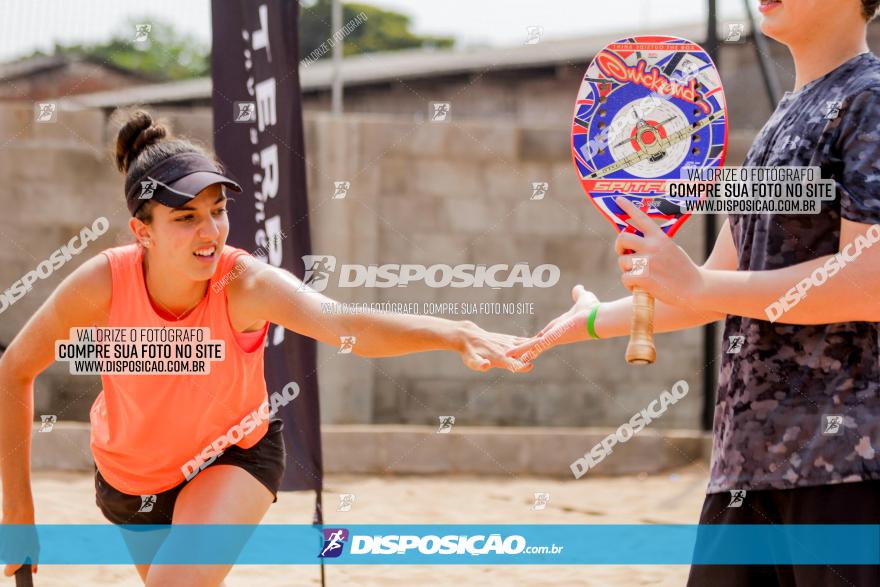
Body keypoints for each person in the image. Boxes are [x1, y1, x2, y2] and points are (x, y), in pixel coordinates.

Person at [0, 110, 530, 586]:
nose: (209, 230)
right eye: (185, 218)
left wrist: (451, 330)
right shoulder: (103, 284)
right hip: (130, 482)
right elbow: (14, 370)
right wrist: (18, 513)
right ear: (143, 232)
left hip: (233, 455)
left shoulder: (242, 282)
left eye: (217, 209)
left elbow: (342, 324)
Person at [510, 0, 880, 584]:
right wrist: (586, 321)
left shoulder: (872, 99)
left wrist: (698, 281)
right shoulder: (782, 118)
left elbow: (870, 281)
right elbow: (710, 289)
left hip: (847, 469)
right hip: (744, 472)